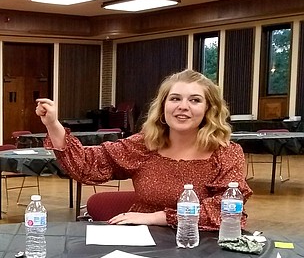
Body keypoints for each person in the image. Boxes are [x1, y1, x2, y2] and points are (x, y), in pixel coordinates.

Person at [36, 69, 252, 230]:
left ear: (208, 109)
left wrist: (159, 217)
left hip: (201, 248)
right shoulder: (144, 145)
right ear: (163, 106)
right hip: (141, 243)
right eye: (175, 99)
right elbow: (88, 164)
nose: (183, 106)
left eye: (195, 100)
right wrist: (53, 124)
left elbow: (227, 210)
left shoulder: (226, 153)